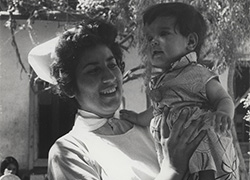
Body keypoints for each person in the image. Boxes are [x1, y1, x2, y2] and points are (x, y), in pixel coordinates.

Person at [27, 18, 209, 180]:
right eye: (93, 70)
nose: (110, 77)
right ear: (70, 87)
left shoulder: (150, 128)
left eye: (112, 64)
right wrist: (172, 171)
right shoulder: (70, 151)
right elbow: (175, 168)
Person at [120, 2, 239, 180]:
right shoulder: (164, 80)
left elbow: (223, 97)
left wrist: (223, 113)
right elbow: (159, 109)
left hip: (201, 140)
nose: (153, 41)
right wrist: (139, 119)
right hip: (176, 152)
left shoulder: (198, 73)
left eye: (163, 33)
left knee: (207, 169)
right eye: (149, 37)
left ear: (190, 41)